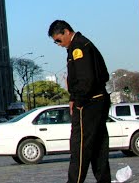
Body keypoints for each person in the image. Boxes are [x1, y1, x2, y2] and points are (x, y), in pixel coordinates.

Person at [48, 20, 111, 183]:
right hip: (98, 99)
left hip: (88, 103)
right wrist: (72, 98)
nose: (58, 44)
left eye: (58, 40)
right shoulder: (82, 44)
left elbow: (85, 79)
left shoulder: (78, 48)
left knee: (80, 147)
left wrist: (78, 101)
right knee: (98, 146)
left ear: (66, 32)